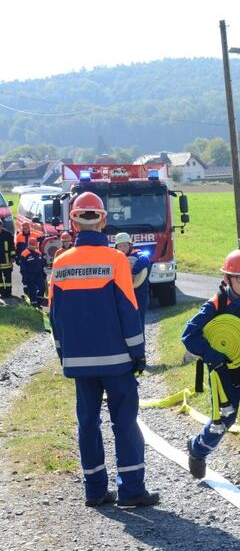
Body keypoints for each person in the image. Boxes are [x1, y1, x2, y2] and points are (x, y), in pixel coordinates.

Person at [49, 191, 159, 507]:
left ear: (73, 222)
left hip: (79, 362)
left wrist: (62, 353)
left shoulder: (60, 262)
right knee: (124, 422)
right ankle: (131, 491)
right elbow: (128, 310)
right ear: (104, 221)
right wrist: (138, 353)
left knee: (87, 423)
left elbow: (55, 315)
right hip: (117, 361)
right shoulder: (114, 260)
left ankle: (95, 490)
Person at [182, 249, 240, 488]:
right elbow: (189, 335)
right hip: (221, 373)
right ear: (227, 279)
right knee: (225, 417)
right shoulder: (214, 306)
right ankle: (197, 448)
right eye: (239, 278)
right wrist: (214, 357)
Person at [115, 232, 150, 327]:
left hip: (139, 293)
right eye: (120, 246)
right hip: (122, 293)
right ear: (116, 247)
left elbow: (145, 258)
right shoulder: (115, 257)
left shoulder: (138, 254)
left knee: (138, 320)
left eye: (125, 245)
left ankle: (141, 341)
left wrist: (133, 272)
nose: (122, 248)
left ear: (130, 245)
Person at [19, 237, 46, 307]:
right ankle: (34, 305)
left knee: (42, 288)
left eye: (35, 246)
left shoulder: (38, 252)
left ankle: (39, 303)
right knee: (32, 290)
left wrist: (43, 273)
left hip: (39, 274)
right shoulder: (24, 254)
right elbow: (23, 267)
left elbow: (42, 264)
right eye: (32, 246)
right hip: (30, 275)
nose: (34, 248)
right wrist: (25, 277)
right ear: (28, 245)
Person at [0, 218, 16, 298]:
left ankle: (8, 293)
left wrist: (12, 257)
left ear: (1, 225)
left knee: (8, 278)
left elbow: (12, 247)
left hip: (7, 260)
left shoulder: (8, 234)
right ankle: (2, 293)